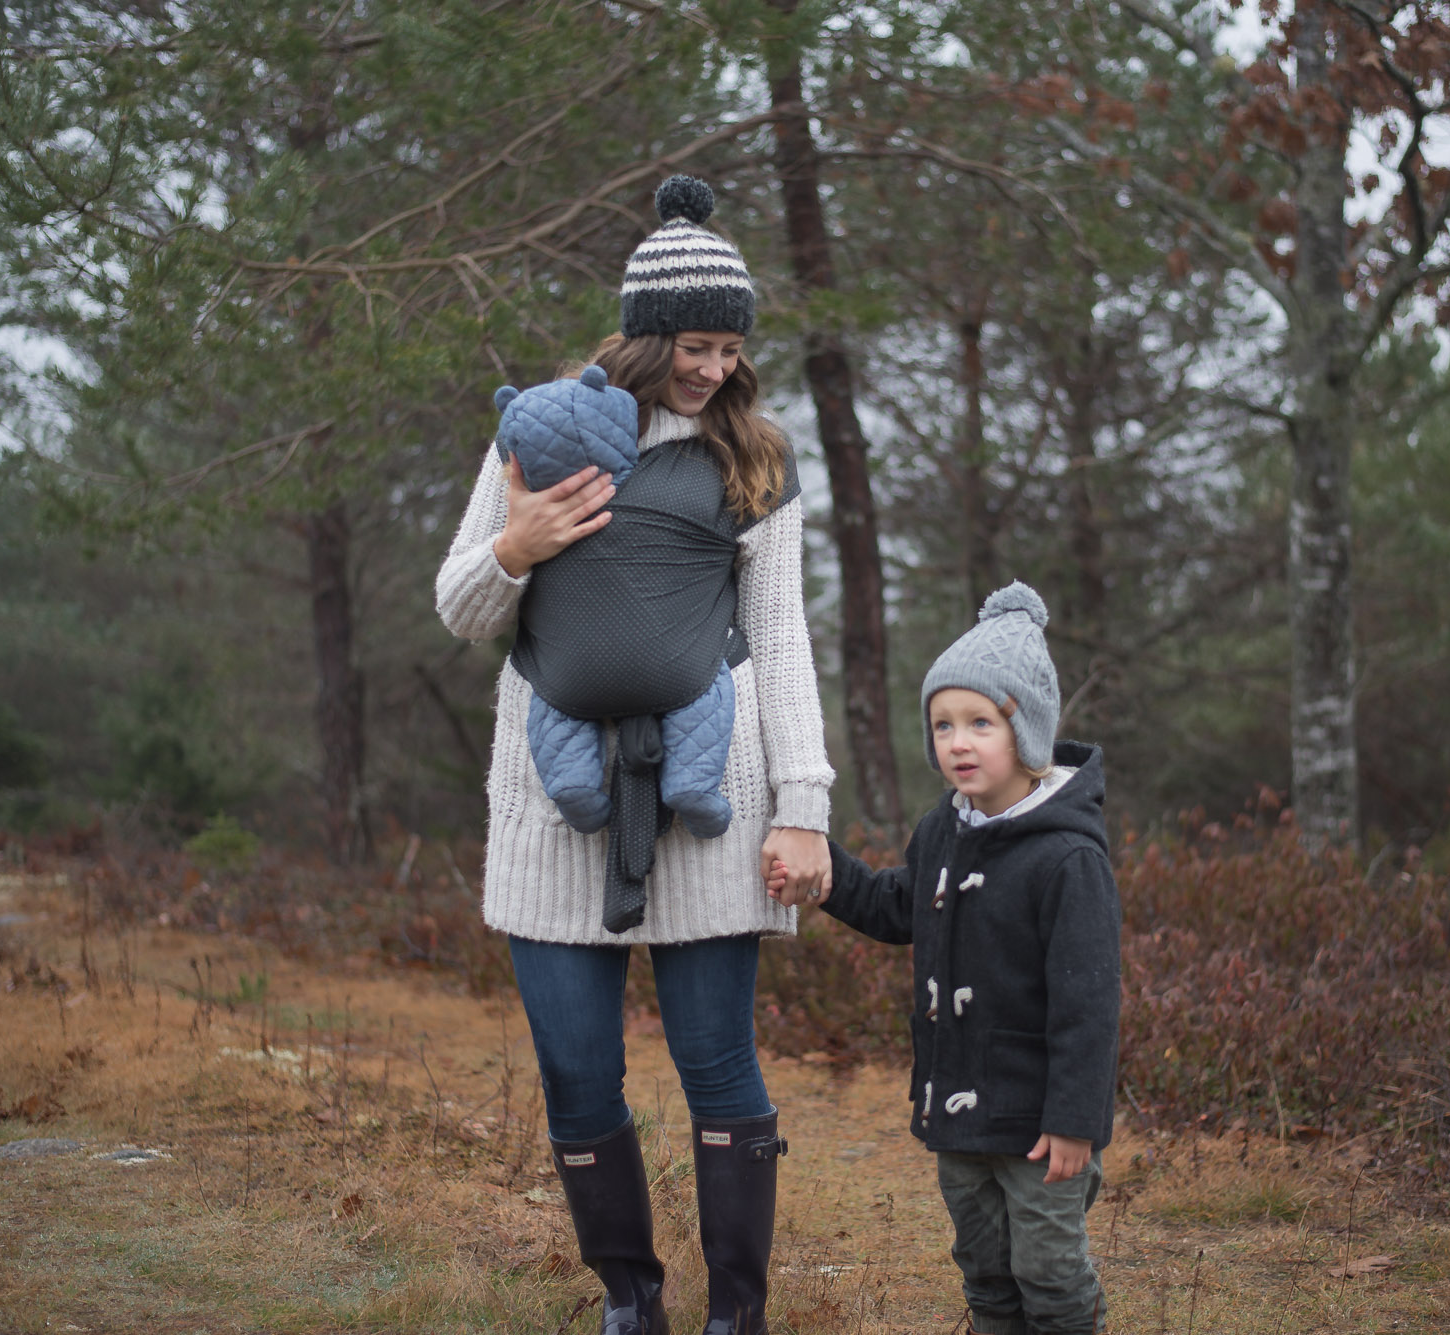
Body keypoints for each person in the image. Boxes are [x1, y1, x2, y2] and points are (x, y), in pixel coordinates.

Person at [435, 174, 834, 1335]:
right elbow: (462, 612)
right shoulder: (538, 436)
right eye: (694, 344)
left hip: (711, 796)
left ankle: (737, 1316)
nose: (712, 368)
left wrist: (800, 801)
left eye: (729, 347)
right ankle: (630, 1302)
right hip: (553, 807)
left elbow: (778, 637)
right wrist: (518, 542)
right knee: (574, 1071)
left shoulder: (752, 456)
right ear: (644, 335)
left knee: (718, 1065)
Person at [772, 582, 1120, 1335]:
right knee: (987, 1269)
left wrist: (1075, 1120)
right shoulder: (945, 831)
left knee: (1049, 1275)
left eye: (980, 722)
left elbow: (1088, 1005)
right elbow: (901, 905)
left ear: (1025, 731)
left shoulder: (1066, 858)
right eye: (942, 724)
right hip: (956, 1105)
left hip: (1038, 1121)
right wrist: (824, 867)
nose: (957, 741)